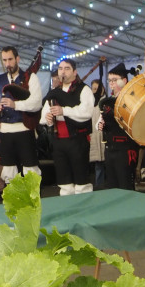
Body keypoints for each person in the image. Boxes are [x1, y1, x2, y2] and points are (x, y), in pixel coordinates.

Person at [0, 46, 43, 187]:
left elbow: (37, 103)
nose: (8, 64)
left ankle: (33, 205)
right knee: (9, 171)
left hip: (25, 129)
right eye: (5, 60)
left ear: (17, 59)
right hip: (6, 131)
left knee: (30, 170)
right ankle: (15, 205)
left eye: (10, 59)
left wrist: (16, 105)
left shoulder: (31, 77)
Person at [41, 59, 94, 195]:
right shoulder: (55, 91)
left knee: (81, 182)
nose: (62, 71)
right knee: (64, 183)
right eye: (60, 68)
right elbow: (43, 115)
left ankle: (84, 211)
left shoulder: (84, 89)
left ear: (75, 72)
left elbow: (86, 113)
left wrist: (64, 111)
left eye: (67, 68)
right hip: (59, 141)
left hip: (78, 140)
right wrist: (48, 119)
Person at [98, 62, 139, 191]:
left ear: (124, 80)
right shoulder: (108, 100)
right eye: (110, 80)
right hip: (110, 148)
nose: (111, 83)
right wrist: (100, 124)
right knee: (112, 185)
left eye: (115, 80)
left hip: (125, 149)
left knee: (125, 184)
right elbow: (101, 118)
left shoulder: (132, 99)